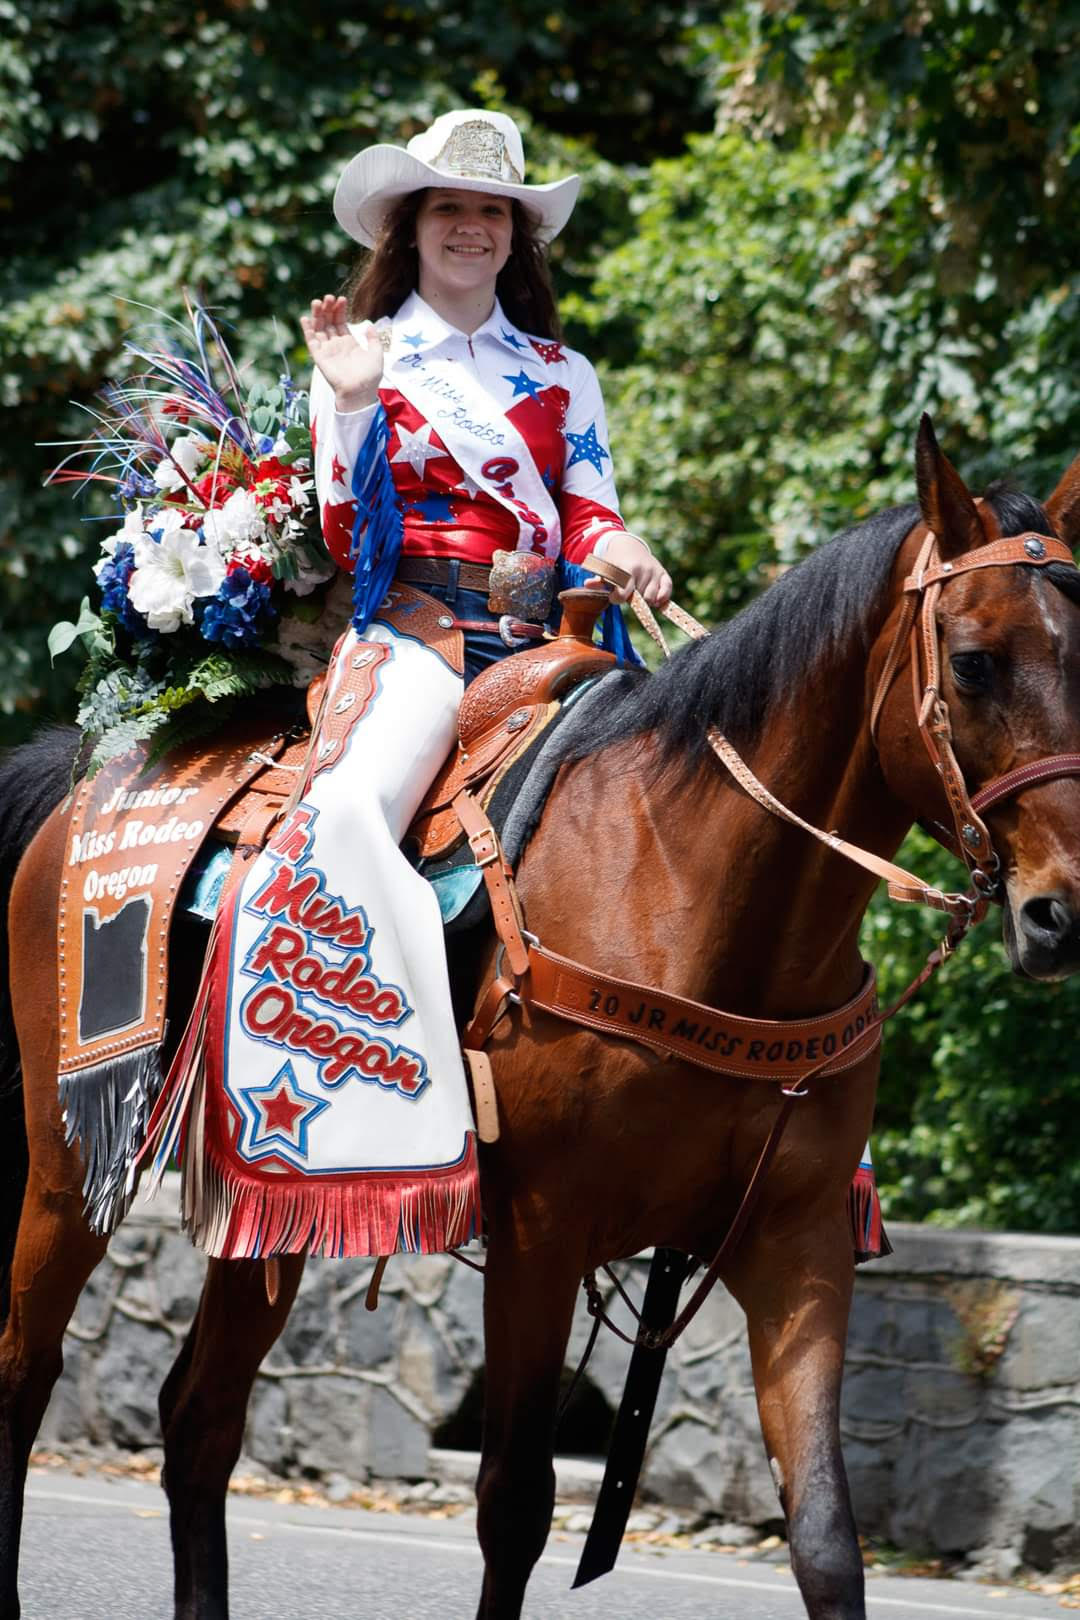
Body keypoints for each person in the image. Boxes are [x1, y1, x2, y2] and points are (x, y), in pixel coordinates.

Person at [180, 109, 671, 1262]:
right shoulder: (361, 354)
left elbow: (589, 509)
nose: (472, 228)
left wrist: (621, 545)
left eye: (492, 211)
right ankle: (358, 1111)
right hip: (418, 638)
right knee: (350, 819)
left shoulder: (562, 373)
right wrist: (352, 399)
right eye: (451, 208)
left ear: (515, 235)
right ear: (413, 227)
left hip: (549, 638)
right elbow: (348, 537)